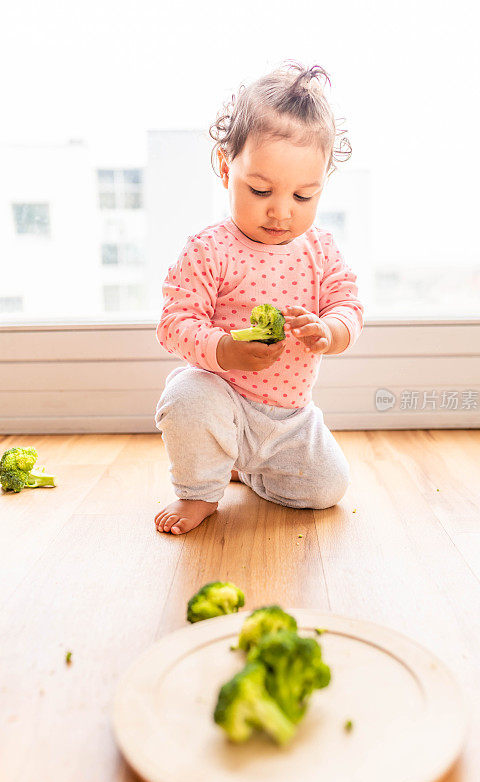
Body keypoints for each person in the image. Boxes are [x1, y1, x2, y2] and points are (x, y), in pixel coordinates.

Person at [154, 60, 364, 535]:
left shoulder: (321, 249)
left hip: (290, 418)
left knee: (329, 489)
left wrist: (330, 331)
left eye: (304, 196)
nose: (280, 211)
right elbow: (174, 322)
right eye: (261, 189)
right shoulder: (210, 248)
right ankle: (199, 490)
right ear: (227, 168)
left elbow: (348, 304)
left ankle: (242, 467)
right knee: (187, 396)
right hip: (222, 399)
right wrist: (222, 350)